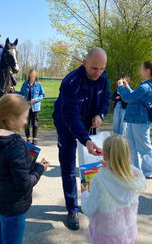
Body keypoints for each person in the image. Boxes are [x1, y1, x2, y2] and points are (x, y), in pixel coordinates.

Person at [53, 47, 110, 230]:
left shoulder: (103, 76)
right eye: (94, 68)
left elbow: (106, 99)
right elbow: (71, 117)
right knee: (69, 168)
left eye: (102, 69)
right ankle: (72, 208)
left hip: (90, 125)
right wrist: (86, 140)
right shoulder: (70, 83)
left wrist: (100, 114)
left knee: (90, 167)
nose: (98, 73)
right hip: (67, 126)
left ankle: (89, 202)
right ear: (84, 63)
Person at [0, 94, 50, 244]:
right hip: (14, 206)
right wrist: (39, 169)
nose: (26, 121)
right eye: (24, 118)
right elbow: (24, 183)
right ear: (11, 120)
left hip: (1, 200)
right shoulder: (15, 145)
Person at [81, 135, 146, 244]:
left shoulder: (99, 181)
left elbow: (88, 209)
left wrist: (84, 193)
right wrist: (111, 166)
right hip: (128, 233)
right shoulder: (133, 176)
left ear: (104, 156)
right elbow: (118, 176)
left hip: (106, 237)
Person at [117, 61, 152, 179]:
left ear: (147, 70)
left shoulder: (145, 86)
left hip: (141, 120)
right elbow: (134, 95)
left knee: (144, 146)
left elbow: (128, 98)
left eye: (141, 68)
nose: (140, 71)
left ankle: (149, 172)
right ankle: (135, 170)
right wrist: (126, 86)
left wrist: (120, 88)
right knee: (131, 146)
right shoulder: (148, 85)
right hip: (135, 119)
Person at [19, 69, 45, 145]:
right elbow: (21, 93)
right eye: (31, 74)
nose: (33, 75)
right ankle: (28, 138)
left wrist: (36, 99)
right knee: (26, 123)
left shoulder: (38, 85)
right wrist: (13, 91)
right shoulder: (25, 84)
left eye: (34, 74)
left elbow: (42, 95)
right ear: (29, 75)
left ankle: (34, 139)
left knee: (35, 123)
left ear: (36, 75)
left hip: (35, 107)